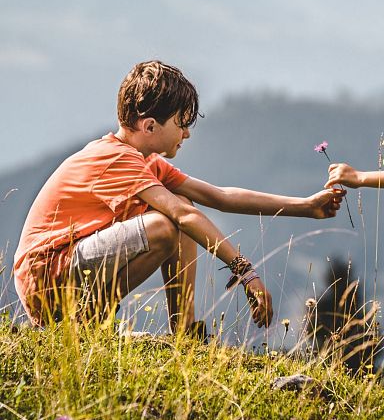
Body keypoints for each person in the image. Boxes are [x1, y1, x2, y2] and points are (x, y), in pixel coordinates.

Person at [14, 61, 344, 332]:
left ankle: (185, 331)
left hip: (67, 269)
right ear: (150, 126)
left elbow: (220, 197)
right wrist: (246, 272)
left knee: (183, 208)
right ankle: (82, 323)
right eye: (182, 121)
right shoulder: (116, 158)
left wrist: (306, 207)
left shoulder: (145, 162)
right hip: (47, 281)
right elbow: (182, 218)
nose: (186, 132)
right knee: (168, 224)